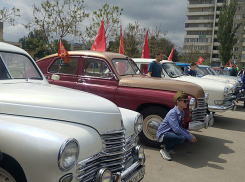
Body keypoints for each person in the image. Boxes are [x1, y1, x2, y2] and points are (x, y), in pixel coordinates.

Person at [156, 91, 197, 161]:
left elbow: (180, 127)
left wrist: (189, 134)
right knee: (182, 137)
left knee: (186, 136)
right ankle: (165, 149)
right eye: (185, 101)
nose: (187, 103)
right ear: (178, 102)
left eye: (187, 101)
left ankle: (168, 146)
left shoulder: (182, 112)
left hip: (171, 133)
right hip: (163, 134)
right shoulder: (173, 113)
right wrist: (189, 137)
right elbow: (176, 129)